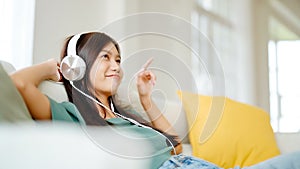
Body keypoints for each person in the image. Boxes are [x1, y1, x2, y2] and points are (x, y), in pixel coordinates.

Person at [9, 32, 300, 169]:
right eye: (106, 57)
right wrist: (54, 67)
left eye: (119, 59)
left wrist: (147, 101)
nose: (117, 66)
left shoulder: (124, 117)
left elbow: (175, 147)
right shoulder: (72, 115)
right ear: (80, 65)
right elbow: (18, 84)